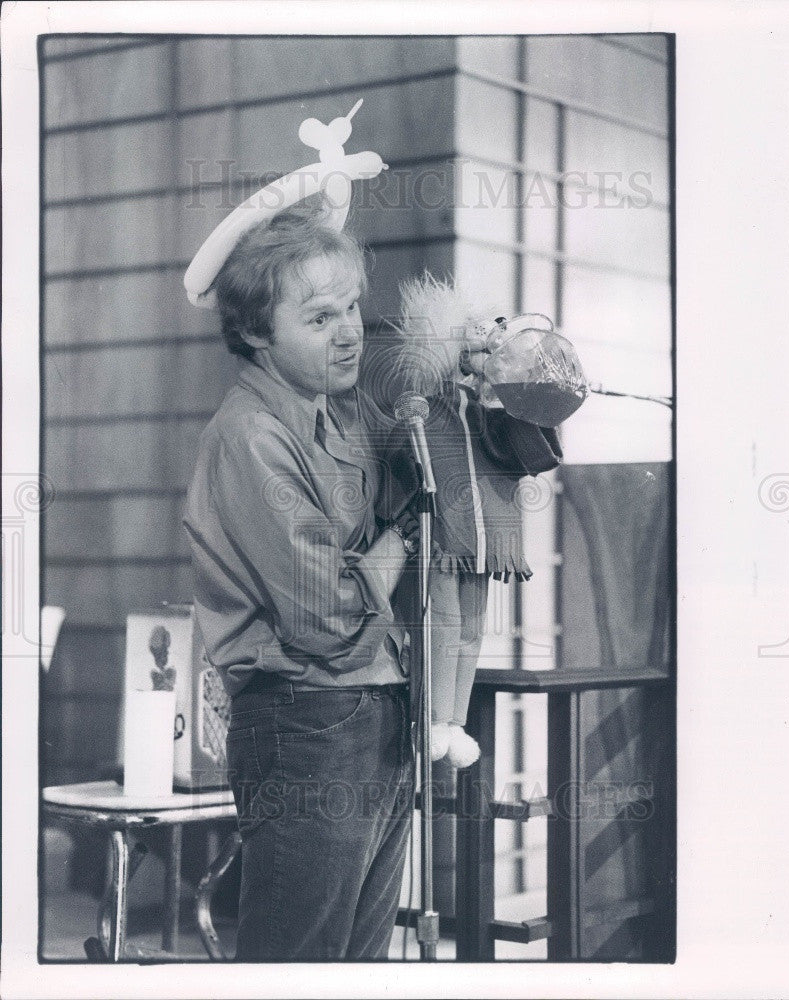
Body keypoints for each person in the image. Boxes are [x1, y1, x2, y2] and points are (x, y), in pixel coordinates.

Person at [182, 104, 420, 960]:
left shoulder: (338, 410)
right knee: (297, 959)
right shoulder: (250, 435)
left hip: (375, 707)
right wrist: (409, 521)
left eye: (352, 307)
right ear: (252, 331)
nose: (350, 330)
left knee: (357, 958)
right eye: (319, 318)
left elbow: (421, 474)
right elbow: (327, 613)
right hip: (306, 719)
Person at [383, 273, 578, 767]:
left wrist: (522, 396)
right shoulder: (433, 405)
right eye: (479, 336)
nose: (492, 341)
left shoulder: (496, 411)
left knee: (471, 630)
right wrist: (411, 420)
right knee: (440, 627)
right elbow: (400, 459)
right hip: (446, 534)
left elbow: (536, 453)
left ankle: (454, 721)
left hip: (484, 540)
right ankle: (431, 718)